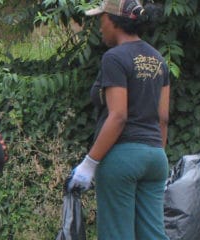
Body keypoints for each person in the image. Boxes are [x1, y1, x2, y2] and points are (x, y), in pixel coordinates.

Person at [67, 0, 170, 239]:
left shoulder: (114, 58)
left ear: (113, 21)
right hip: (156, 157)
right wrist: (157, 153)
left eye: (101, 19)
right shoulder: (159, 60)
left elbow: (118, 116)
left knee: (117, 234)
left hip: (122, 158)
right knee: (153, 234)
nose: (100, 26)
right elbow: (163, 118)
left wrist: (89, 164)